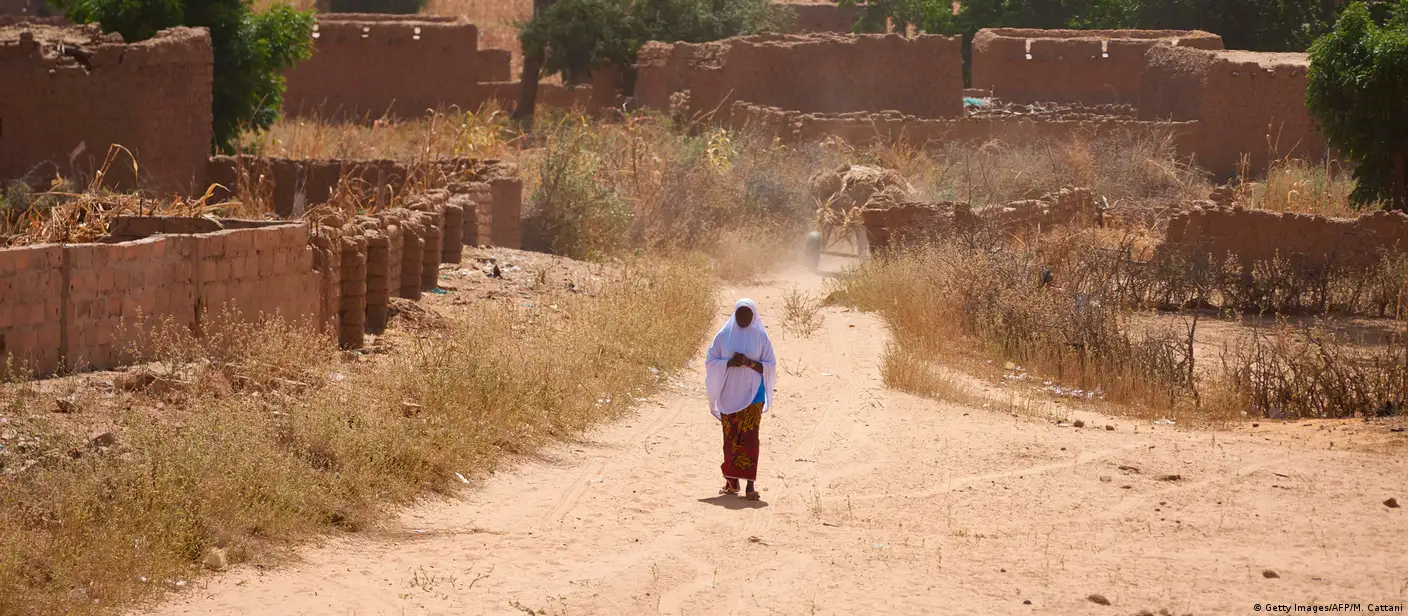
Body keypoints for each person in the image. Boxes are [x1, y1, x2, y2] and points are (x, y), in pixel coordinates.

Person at [705, 298, 777, 500]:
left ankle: (750, 486)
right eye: (740, 314)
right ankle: (731, 482)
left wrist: (750, 363)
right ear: (735, 314)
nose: (743, 318)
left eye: (747, 315)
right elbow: (710, 361)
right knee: (730, 439)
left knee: (750, 439)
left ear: (753, 316)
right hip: (728, 395)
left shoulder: (761, 337)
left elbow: (770, 365)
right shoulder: (724, 335)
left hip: (754, 395)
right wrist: (729, 363)